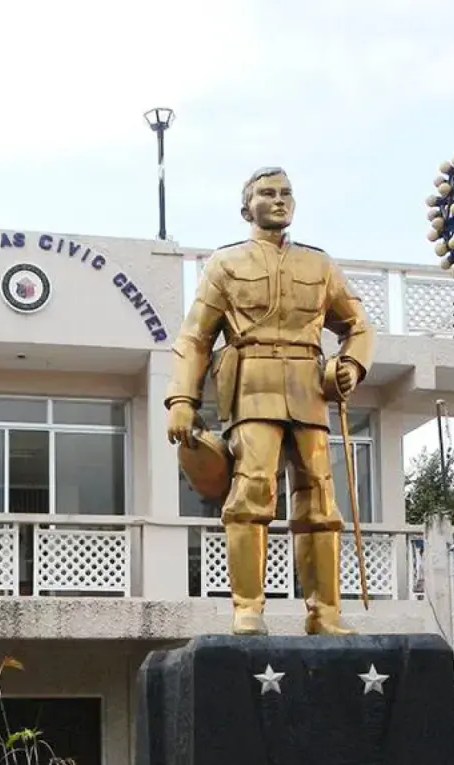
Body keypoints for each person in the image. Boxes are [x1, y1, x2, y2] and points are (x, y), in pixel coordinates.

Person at [165, 167, 376, 635]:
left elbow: (358, 325)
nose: (278, 200)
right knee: (252, 490)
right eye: (266, 193)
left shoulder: (319, 266)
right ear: (247, 208)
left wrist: (352, 365)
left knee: (320, 499)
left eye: (285, 194)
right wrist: (182, 398)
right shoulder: (225, 264)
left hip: (308, 388)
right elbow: (196, 336)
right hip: (251, 384)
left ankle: (324, 614)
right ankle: (248, 608)